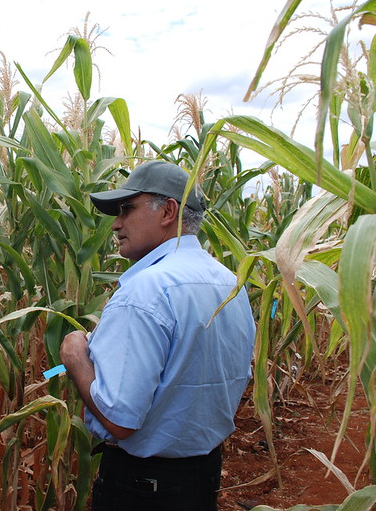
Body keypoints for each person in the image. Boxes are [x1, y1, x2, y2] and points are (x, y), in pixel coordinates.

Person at [60, 160, 255, 511]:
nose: (116, 223)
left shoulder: (146, 291)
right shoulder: (230, 282)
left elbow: (119, 420)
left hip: (143, 489)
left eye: (127, 209)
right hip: (203, 475)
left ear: (168, 211)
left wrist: (75, 357)